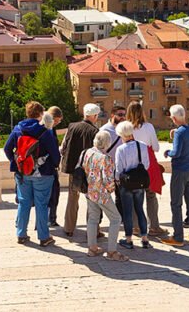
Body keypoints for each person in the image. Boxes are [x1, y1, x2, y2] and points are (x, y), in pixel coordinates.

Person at [3, 101, 60, 247]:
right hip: (43, 173)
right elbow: (55, 154)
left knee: (24, 202)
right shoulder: (45, 131)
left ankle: (21, 234)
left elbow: (7, 149)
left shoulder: (17, 129)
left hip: (23, 173)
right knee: (41, 204)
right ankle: (43, 236)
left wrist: (17, 163)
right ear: (41, 114)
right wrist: (53, 165)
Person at [82, 131, 127, 261]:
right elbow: (108, 180)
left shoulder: (88, 152)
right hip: (102, 193)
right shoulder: (105, 158)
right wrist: (111, 189)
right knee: (116, 219)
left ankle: (92, 248)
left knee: (92, 219)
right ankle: (112, 251)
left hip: (90, 190)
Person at [59, 103, 101, 238]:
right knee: (92, 201)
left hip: (74, 169)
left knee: (72, 198)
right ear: (94, 116)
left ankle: (69, 228)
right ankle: (93, 230)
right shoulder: (96, 131)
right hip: (90, 171)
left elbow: (64, 146)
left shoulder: (72, 127)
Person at [161, 104, 189, 247]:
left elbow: (176, 152)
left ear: (174, 117)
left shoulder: (179, 132)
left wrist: (167, 152)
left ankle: (178, 237)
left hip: (180, 171)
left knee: (176, 204)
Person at [128, 101, 166, 237]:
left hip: (133, 165)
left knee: (135, 197)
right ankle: (154, 226)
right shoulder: (149, 127)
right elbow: (156, 147)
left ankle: (136, 227)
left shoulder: (126, 127)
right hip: (149, 165)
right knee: (151, 196)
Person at [114, 120, 151, 250]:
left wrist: (117, 180)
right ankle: (145, 238)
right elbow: (146, 165)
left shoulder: (121, 149)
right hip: (140, 181)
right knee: (140, 209)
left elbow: (119, 169)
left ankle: (128, 239)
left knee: (128, 211)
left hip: (127, 183)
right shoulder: (142, 145)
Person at [45, 106, 64, 227]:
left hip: (49, 168)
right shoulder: (48, 130)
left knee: (53, 195)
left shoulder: (50, 129)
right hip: (49, 168)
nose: (58, 123)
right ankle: (48, 220)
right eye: (58, 120)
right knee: (50, 195)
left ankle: (50, 219)